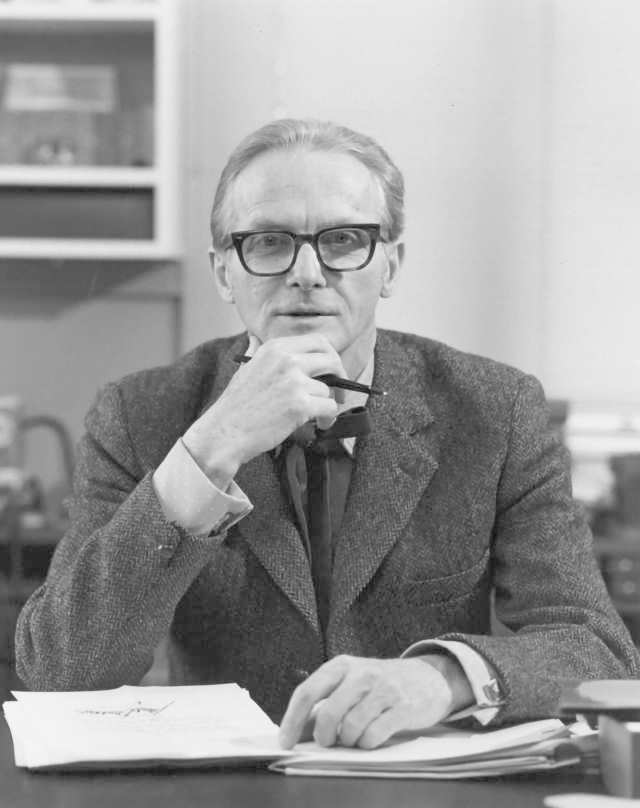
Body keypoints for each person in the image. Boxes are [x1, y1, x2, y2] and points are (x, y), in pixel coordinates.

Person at [16, 119, 639, 751]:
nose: (308, 273)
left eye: (343, 240)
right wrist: (210, 450)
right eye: (267, 242)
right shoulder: (137, 413)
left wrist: (442, 677)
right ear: (223, 272)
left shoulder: (495, 409)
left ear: (390, 264)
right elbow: (61, 673)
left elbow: (596, 648)